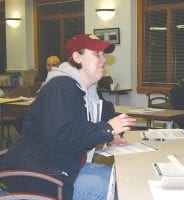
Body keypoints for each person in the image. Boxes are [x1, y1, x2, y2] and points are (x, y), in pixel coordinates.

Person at [0, 34, 136, 199]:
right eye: (96, 54)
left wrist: (112, 134)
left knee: (125, 179)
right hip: (43, 174)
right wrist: (107, 129)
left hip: (65, 166)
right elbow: (61, 138)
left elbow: (104, 116)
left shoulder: (88, 90)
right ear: (77, 57)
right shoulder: (60, 88)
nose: (103, 60)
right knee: (121, 190)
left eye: (103, 54)